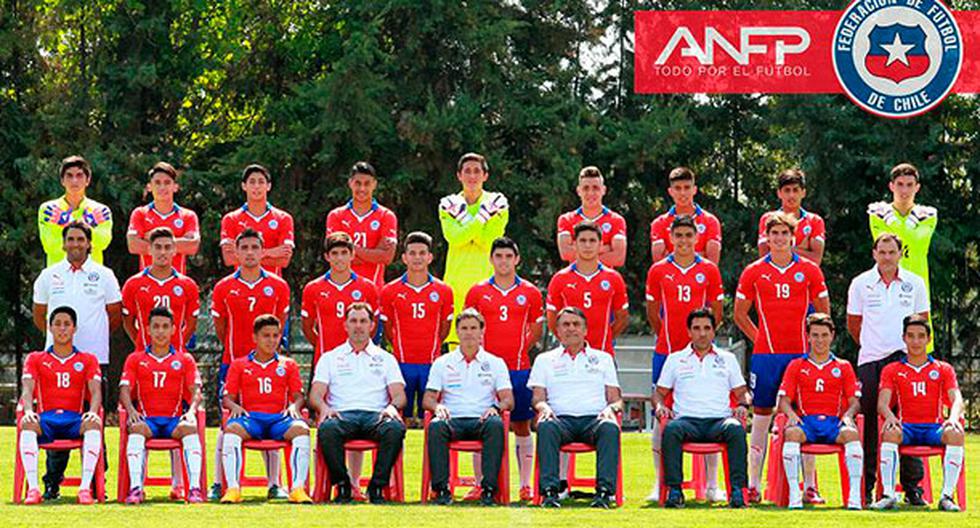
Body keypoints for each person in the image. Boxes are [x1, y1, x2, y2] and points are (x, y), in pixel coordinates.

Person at [734, 212, 829, 503]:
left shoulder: (810, 270)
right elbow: (739, 315)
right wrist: (761, 340)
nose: (779, 239)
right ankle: (753, 485)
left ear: (793, 237)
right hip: (766, 357)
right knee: (761, 418)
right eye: (773, 234)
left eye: (784, 234)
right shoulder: (753, 271)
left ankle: (809, 486)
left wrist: (813, 347)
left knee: (804, 418)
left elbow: (823, 314)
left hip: (801, 357)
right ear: (767, 237)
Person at [31, 221, 121, 500]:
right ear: (63, 244)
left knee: (93, 419)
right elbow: (39, 315)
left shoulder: (104, 275)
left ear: (89, 243)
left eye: (80, 239)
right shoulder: (49, 275)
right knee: (54, 420)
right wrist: (59, 343)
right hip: (55, 362)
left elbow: (114, 316)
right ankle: (51, 483)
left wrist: (91, 345)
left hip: (94, 360)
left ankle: (96, 483)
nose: (75, 244)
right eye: (70, 239)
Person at [644, 215, 724, 502]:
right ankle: (659, 483)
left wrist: (701, 339)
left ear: (697, 238)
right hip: (667, 352)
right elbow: (653, 314)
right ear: (671, 238)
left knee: (710, 411)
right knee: (660, 416)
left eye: (689, 236)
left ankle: (712, 486)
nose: (684, 241)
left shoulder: (709, 270)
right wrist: (668, 336)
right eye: (678, 236)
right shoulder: (657, 271)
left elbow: (717, 312)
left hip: (703, 353)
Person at [208, 228, 291, 500]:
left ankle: (274, 484)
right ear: (236, 252)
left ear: (262, 250)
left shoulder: (278, 286)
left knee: (272, 417)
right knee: (228, 422)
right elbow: (221, 328)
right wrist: (239, 354)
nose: (250, 253)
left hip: (269, 366)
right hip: (233, 364)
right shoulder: (223, 287)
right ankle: (220, 483)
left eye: (255, 247)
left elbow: (277, 326)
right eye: (244, 248)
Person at [846, 232, 929, 503]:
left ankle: (912, 487)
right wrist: (873, 345)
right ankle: (868, 488)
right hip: (871, 360)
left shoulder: (915, 284)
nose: (886, 257)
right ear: (874, 254)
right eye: (881, 252)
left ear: (900, 254)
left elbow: (921, 323)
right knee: (869, 423)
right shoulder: (860, 283)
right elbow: (853, 324)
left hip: (906, 360)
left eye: (892, 252)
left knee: (909, 419)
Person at [464, 236, 544, 501]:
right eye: (498, 256)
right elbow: (469, 328)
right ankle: (480, 483)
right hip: (484, 370)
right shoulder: (477, 291)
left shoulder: (530, 292)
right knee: (481, 422)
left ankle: (524, 485)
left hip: (519, 368)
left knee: (522, 425)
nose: (503, 261)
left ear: (517, 259)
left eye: (508, 256)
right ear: (491, 260)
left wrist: (520, 348)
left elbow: (536, 328)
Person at [310, 303, 407, 504]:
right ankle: (343, 485)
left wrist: (391, 407)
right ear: (345, 325)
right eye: (353, 321)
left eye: (363, 321)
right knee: (327, 429)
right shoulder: (330, 357)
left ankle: (377, 486)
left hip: (376, 416)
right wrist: (325, 408)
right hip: (342, 415)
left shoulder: (386, 358)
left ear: (372, 325)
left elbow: (399, 396)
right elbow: (315, 395)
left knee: (395, 429)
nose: (358, 326)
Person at [655, 308, 750, 509]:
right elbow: (658, 393)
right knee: (671, 429)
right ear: (689, 332)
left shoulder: (727, 359)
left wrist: (742, 404)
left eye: (707, 328)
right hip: (687, 421)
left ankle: (737, 491)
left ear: (714, 331)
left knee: (736, 429)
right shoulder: (675, 359)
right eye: (697, 328)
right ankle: (674, 490)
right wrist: (660, 406)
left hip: (719, 421)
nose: (702, 333)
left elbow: (743, 393)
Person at [530, 307, 622, 509]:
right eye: (565, 324)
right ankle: (550, 493)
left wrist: (611, 410)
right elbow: (537, 398)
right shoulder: (544, 360)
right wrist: (543, 408)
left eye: (576, 324)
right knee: (545, 427)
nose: (571, 329)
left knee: (610, 428)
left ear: (585, 330)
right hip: (560, 421)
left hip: (594, 420)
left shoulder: (603, 358)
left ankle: (605, 493)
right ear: (558, 330)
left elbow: (616, 399)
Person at [871, 315, 964, 512]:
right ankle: (888, 495)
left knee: (956, 434)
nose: (916, 341)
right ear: (904, 338)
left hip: (934, 428)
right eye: (911, 336)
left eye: (921, 336)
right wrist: (889, 416)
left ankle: (946, 497)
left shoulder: (943, 369)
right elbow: (882, 403)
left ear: (928, 339)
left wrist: (953, 418)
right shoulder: (892, 369)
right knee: (889, 433)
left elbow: (957, 399)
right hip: (907, 428)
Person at [423, 309, 514, 506]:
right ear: (457, 332)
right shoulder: (442, 362)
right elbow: (428, 398)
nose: (469, 333)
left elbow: (508, 399)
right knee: (436, 426)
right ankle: (441, 490)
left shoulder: (495, 363)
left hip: (482, 419)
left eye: (473, 328)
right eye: (464, 328)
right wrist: (437, 406)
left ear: (482, 332)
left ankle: (488, 490)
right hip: (452, 419)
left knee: (495, 425)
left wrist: (496, 408)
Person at [219, 314, 311, 504]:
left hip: (279, 419)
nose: (271, 340)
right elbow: (227, 397)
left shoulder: (288, 364)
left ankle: (297, 488)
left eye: (275, 336)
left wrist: (295, 406)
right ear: (255, 337)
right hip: (251, 419)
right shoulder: (239, 364)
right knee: (231, 430)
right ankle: (233, 488)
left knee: (302, 430)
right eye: (266, 335)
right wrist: (234, 406)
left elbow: (299, 396)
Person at [17, 306, 104, 505]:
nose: (62, 329)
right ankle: (33, 489)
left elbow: (96, 391)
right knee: (27, 424)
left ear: (74, 329)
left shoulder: (87, 359)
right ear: (50, 328)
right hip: (47, 419)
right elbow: (27, 390)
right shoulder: (36, 358)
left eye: (67, 324)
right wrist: (29, 411)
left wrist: (92, 412)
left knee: (93, 424)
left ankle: (84, 489)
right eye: (57, 324)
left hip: (74, 419)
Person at [118, 306, 205, 504]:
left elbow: (196, 391)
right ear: (146, 329)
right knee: (136, 428)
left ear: (174, 329)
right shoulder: (135, 359)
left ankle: (194, 489)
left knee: (190, 428)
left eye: (165, 327)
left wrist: (191, 412)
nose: (160, 331)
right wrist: (131, 411)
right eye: (155, 327)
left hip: (174, 421)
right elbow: (124, 389)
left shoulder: (185, 359)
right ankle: (136, 488)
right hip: (148, 421)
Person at [776, 313, 863, 510]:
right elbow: (784, 400)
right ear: (807, 336)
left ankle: (855, 497)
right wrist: (791, 415)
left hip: (834, 423)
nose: (820, 340)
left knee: (851, 434)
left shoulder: (843, 366)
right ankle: (795, 496)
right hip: (807, 423)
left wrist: (848, 416)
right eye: (815, 335)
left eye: (824, 335)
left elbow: (854, 402)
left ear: (832, 336)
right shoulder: (796, 365)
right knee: (792, 433)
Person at [380, 232, 454, 425]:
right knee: (397, 418)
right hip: (401, 363)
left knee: (432, 418)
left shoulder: (444, 291)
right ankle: (398, 455)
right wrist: (398, 346)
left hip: (431, 364)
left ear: (430, 257)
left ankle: (430, 456)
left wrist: (434, 345)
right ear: (404, 257)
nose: (417, 257)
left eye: (422, 253)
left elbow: (445, 328)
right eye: (412, 253)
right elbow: (388, 328)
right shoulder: (390, 291)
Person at [439, 152, 508, 343]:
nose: (472, 176)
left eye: (477, 171)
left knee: (488, 345)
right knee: (456, 347)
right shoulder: (448, 203)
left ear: (485, 176)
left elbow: (490, 241)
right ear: (459, 175)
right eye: (467, 171)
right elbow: (455, 238)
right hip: (456, 286)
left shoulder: (498, 203)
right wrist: (482, 218)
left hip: (488, 285)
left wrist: (464, 220)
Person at [547, 222, 628, 355]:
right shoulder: (560, 279)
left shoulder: (613, 278)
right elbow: (552, 320)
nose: (588, 245)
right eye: (583, 241)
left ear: (600, 245)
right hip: (569, 356)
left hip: (603, 354)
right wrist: (569, 341)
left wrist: (605, 339)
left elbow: (622, 318)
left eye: (592, 240)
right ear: (574, 244)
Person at [302, 232, 380, 365]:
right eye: (335, 253)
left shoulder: (367, 287)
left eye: (344, 253)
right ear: (327, 256)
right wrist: (324, 348)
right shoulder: (313, 288)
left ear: (352, 255)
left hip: (358, 359)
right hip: (325, 360)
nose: (340, 258)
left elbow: (374, 326)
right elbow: (307, 328)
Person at [121, 227, 200, 352]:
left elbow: (191, 324)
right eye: (158, 247)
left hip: (176, 357)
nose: (162, 252)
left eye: (167, 247)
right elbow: (128, 322)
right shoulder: (133, 284)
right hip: (144, 356)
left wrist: (177, 343)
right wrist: (142, 343)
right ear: (149, 250)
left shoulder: (188, 285)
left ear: (174, 251)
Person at [868, 163, 936, 297]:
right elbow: (887, 245)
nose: (904, 190)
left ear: (917, 188)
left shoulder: (927, 215)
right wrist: (907, 223)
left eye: (910, 185)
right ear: (891, 186)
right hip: (886, 285)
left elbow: (916, 243)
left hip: (917, 286)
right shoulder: (877, 214)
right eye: (900, 184)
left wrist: (891, 220)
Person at [325, 161, 398, 286]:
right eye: (357, 183)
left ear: (374, 184)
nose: (362, 189)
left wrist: (348, 249)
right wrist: (373, 253)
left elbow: (386, 257)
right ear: (350, 183)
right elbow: (336, 257)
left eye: (367, 184)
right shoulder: (336, 215)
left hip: (374, 289)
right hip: (341, 289)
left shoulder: (386, 216)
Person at [219, 164, 295, 277]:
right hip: (240, 285)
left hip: (272, 286)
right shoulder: (231, 219)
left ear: (268, 186)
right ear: (244, 186)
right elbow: (229, 259)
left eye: (261, 182)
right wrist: (270, 253)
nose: (256, 186)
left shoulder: (283, 218)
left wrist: (244, 256)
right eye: (252, 182)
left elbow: (284, 260)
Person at [37, 155, 112, 266]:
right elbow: (50, 245)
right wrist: (87, 226)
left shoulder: (101, 210)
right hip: (59, 276)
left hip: (91, 277)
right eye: (69, 176)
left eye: (79, 175)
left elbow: (103, 242)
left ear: (88, 180)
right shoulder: (49, 210)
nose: (74, 180)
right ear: (62, 181)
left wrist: (66, 222)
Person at [127, 161, 200, 274]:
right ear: (149, 187)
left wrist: (153, 239)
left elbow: (192, 246)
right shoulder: (140, 213)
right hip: (146, 282)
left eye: (167, 183)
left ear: (175, 187)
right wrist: (177, 243)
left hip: (177, 282)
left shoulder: (188, 216)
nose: (162, 187)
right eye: (157, 182)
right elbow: (133, 246)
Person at [556, 166, 627, 267]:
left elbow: (618, 258)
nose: (590, 193)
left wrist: (580, 251)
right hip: (575, 280)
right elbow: (565, 253)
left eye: (595, 188)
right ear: (578, 191)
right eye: (585, 188)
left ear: (604, 190)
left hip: (605, 280)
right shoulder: (566, 220)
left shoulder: (616, 220)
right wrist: (606, 248)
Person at [650, 167, 722, 264]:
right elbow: (658, 260)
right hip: (671, 278)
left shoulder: (710, 221)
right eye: (678, 188)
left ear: (694, 190)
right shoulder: (659, 223)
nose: (682, 193)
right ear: (670, 191)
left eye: (687, 187)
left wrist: (672, 255)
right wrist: (700, 254)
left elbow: (712, 262)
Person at [757, 169, 825, 265]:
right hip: (775, 278)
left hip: (804, 278)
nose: (791, 195)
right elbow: (764, 257)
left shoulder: (815, 221)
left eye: (795, 190)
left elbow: (815, 260)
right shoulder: (768, 219)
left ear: (803, 193)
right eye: (787, 190)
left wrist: (780, 248)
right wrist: (800, 250)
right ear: (779, 193)